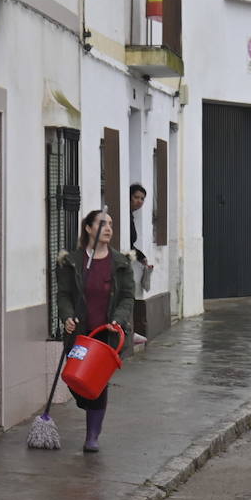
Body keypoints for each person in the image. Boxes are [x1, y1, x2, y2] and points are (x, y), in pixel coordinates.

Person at [56, 209, 135, 453]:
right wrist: (67, 317)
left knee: (98, 384)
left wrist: (118, 320)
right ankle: (88, 403)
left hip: (105, 333)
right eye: (102, 223)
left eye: (110, 223)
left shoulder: (121, 263)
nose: (108, 228)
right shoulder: (72, 262)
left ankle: (92, 436)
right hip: (80, 332)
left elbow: (127, 297)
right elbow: (64, 294)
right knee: (75, 379)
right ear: (89, 228)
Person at [129, 183, 150, 339]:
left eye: (142, 198)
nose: (139, 201)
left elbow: (130, 244)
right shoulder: (125, 215)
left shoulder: (130, 215)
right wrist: (140, 255)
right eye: (136, 197)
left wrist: (141, 256)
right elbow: (128, 243)